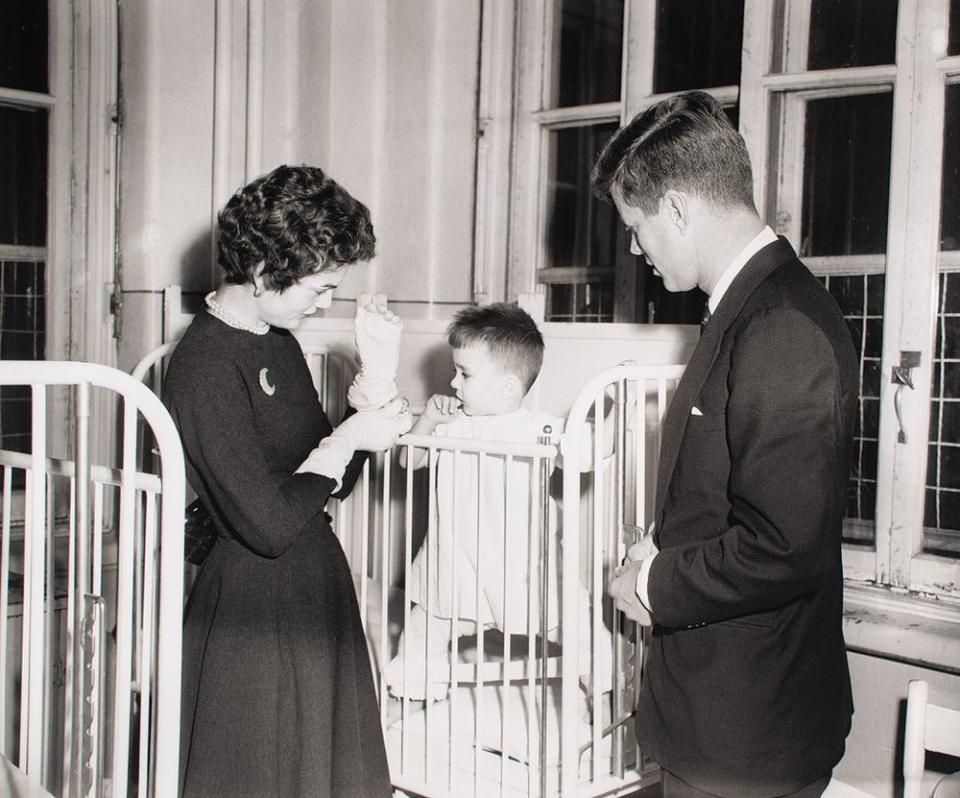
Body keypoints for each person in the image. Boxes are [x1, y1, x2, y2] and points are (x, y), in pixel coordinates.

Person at [600, 92, 857, 797]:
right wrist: (663, 548)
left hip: (749, 736)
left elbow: (782, 547)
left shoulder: (781, 327)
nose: (634, 248)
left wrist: (653, 584)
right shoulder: (751, 309)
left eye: (636, 225)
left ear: (677, 208)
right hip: (725, 723)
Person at [163, 164, 412, 798]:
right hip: (252, 605)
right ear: (265, 266)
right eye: (319, 287)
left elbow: (329, 479)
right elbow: (268, 525)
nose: (327, 302)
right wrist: (347, 439)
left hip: (314, 583)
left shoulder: (278, 341)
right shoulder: (202, 365)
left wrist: (376, 387)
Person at [382, 303, 565, 704]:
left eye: (464, 373)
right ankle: (415, 692)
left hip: (516, 567)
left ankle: (599, 680)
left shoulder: (538, 429)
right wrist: (427, 421)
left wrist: (602, 426)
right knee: (423, 630)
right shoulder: (452, 424)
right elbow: (408, 459)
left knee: (568, 624)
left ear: (506, 387)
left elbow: (585, 454)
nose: (453, 382)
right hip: (454, 565)